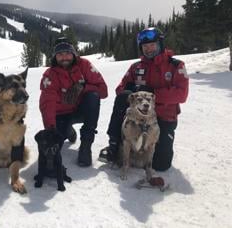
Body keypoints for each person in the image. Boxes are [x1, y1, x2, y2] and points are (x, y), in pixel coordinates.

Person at [98, 27, 189, 171]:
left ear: (160, 44)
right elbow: (120, 89)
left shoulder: (175, 66)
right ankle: (114, 145)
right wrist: (134, 93)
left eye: (152, 45)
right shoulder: (136, 67)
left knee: (161, 165)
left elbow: (181, 94)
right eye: (145, 46)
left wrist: (151, 93)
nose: (149, 49)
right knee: (122, 97)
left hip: (163, 117)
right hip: (137, 116)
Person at [39, 37, 108, 167]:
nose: (64, 57)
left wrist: (83, 88)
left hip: (80, 110)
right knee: (56, 141)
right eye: (60, 54)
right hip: (61, 114)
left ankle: (86, 146)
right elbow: (47, 104)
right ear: (54, 56)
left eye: (67, 53)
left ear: (74, 53)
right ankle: (68, 131)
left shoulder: (85, 65)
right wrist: (50, 130)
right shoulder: (49, 75)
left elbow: (103, 91)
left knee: (93, 96)